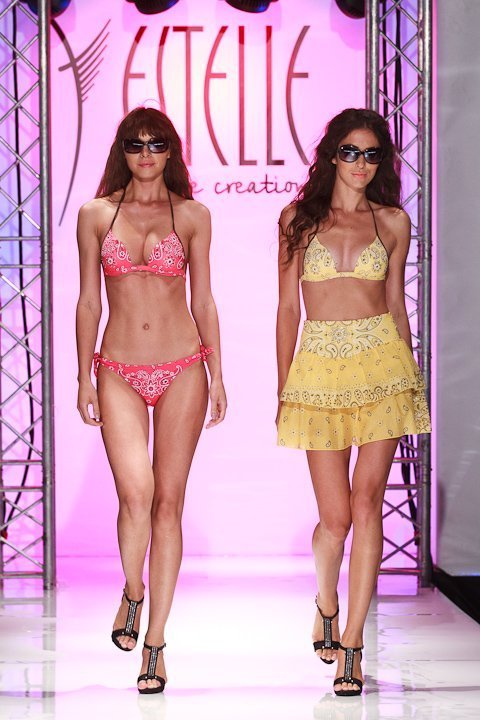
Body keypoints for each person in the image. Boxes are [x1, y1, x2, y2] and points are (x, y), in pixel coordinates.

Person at [276, 108, 431, 696]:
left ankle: (354, 645)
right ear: (330, 155)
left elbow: (395, 305)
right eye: (350, 152)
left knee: (368, 505)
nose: (361, 164)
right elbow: (287, 309)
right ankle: (326, 601)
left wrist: (411, 378)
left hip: (382, 367)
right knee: (335, 518)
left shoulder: (393, 221)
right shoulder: (298, 220)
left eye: (371, 154)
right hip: (317, 368)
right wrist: (284, 386)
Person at [76, 107, 226, 694]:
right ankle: (133, 591)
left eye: (156, 144)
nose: (146, 153)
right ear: (122, 150)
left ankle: (156, 643)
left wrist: (218, 373)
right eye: (135, 144)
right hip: (116, 368)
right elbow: (89, 301)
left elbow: (204, 299)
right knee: (135, 494)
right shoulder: (96, 214)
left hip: (183, 365)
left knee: (168, 503)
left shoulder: (192, 215)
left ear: (171, 152)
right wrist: (83, 377)